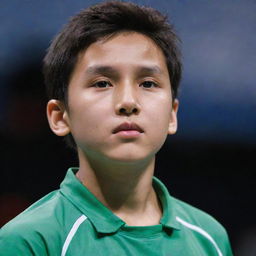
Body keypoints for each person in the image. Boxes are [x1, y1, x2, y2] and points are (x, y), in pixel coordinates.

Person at [0, 1, 233, 255]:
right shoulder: (29, 240)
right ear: (60, 116)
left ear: (172, 115)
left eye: (147, 83)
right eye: (102, 83)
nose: (127, 102)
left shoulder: (210, 237)